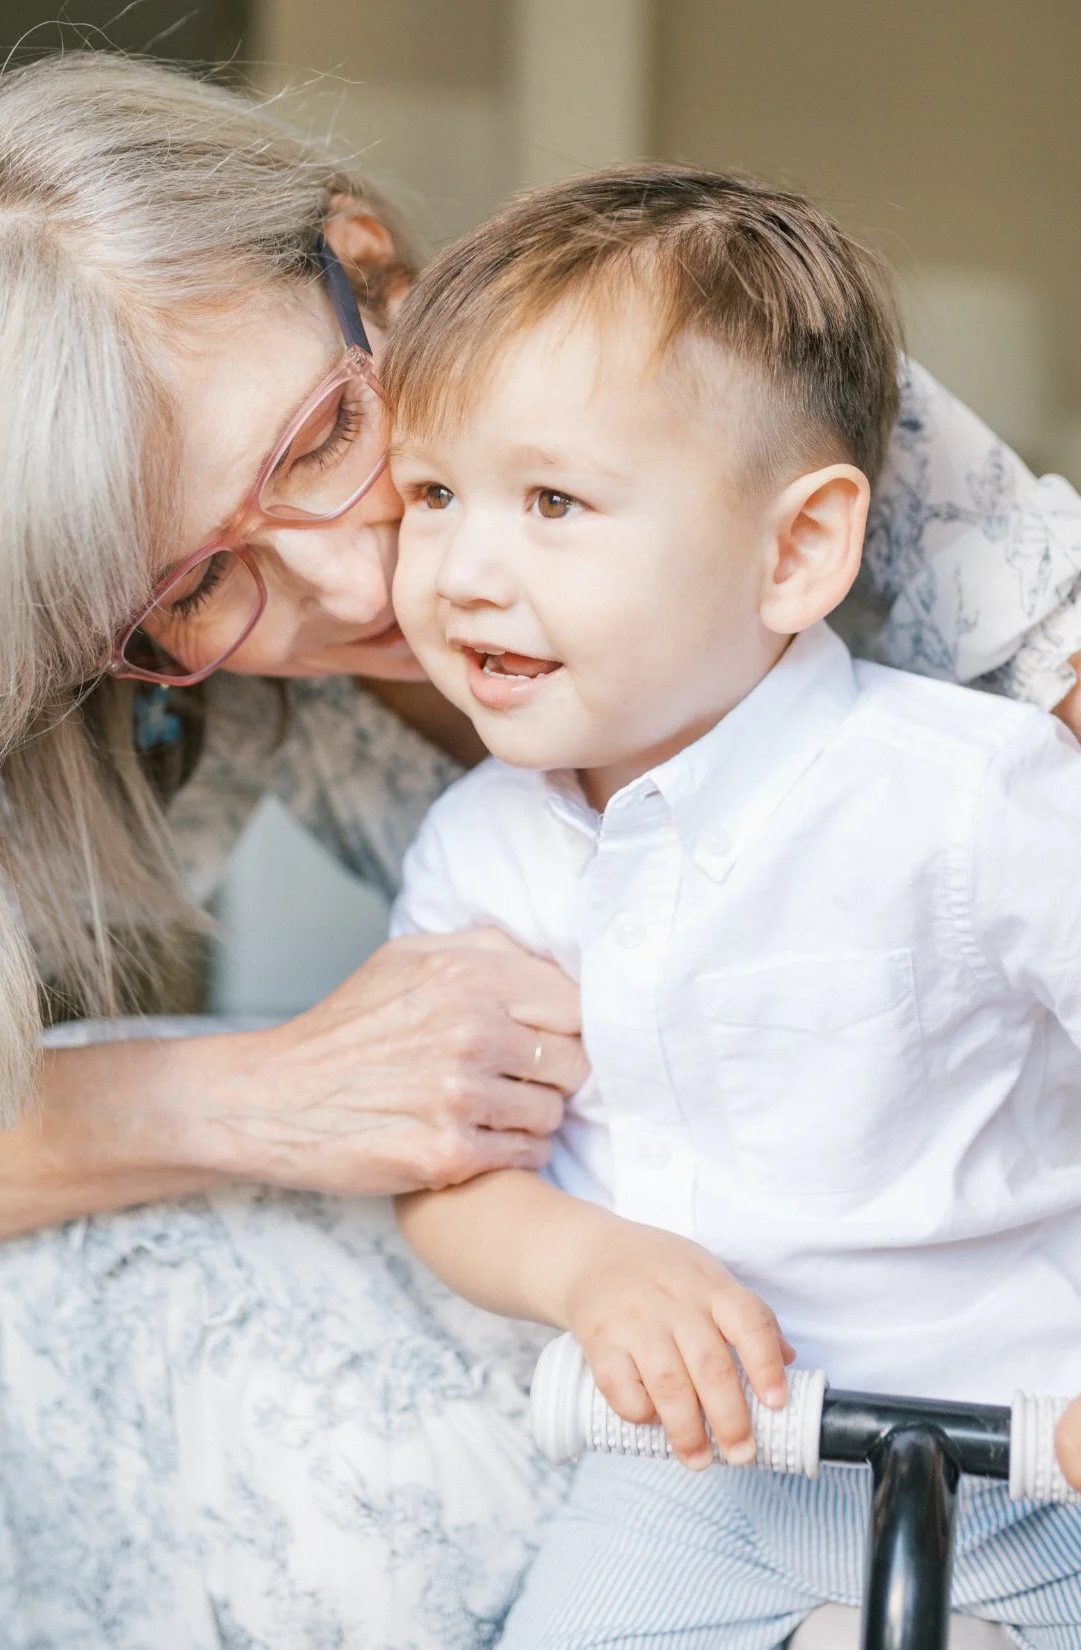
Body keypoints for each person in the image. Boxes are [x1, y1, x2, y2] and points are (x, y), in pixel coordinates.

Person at [0, 46, 1081, 1650]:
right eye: (187, 587)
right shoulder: (366, 783)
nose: (364, 593)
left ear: (367, 270)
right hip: (697, 1434)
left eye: (318, 445)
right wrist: (282, 1099)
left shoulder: (715, 370)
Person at [385, 165, 1081, 1648]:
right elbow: (445, 1174)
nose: (462, 568)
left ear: (797, 552)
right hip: (693, 1483)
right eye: (431, 494)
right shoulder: (481, 846)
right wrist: (588, 1265)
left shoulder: (974, 792)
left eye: (554, 499)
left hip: (1040, 1459)